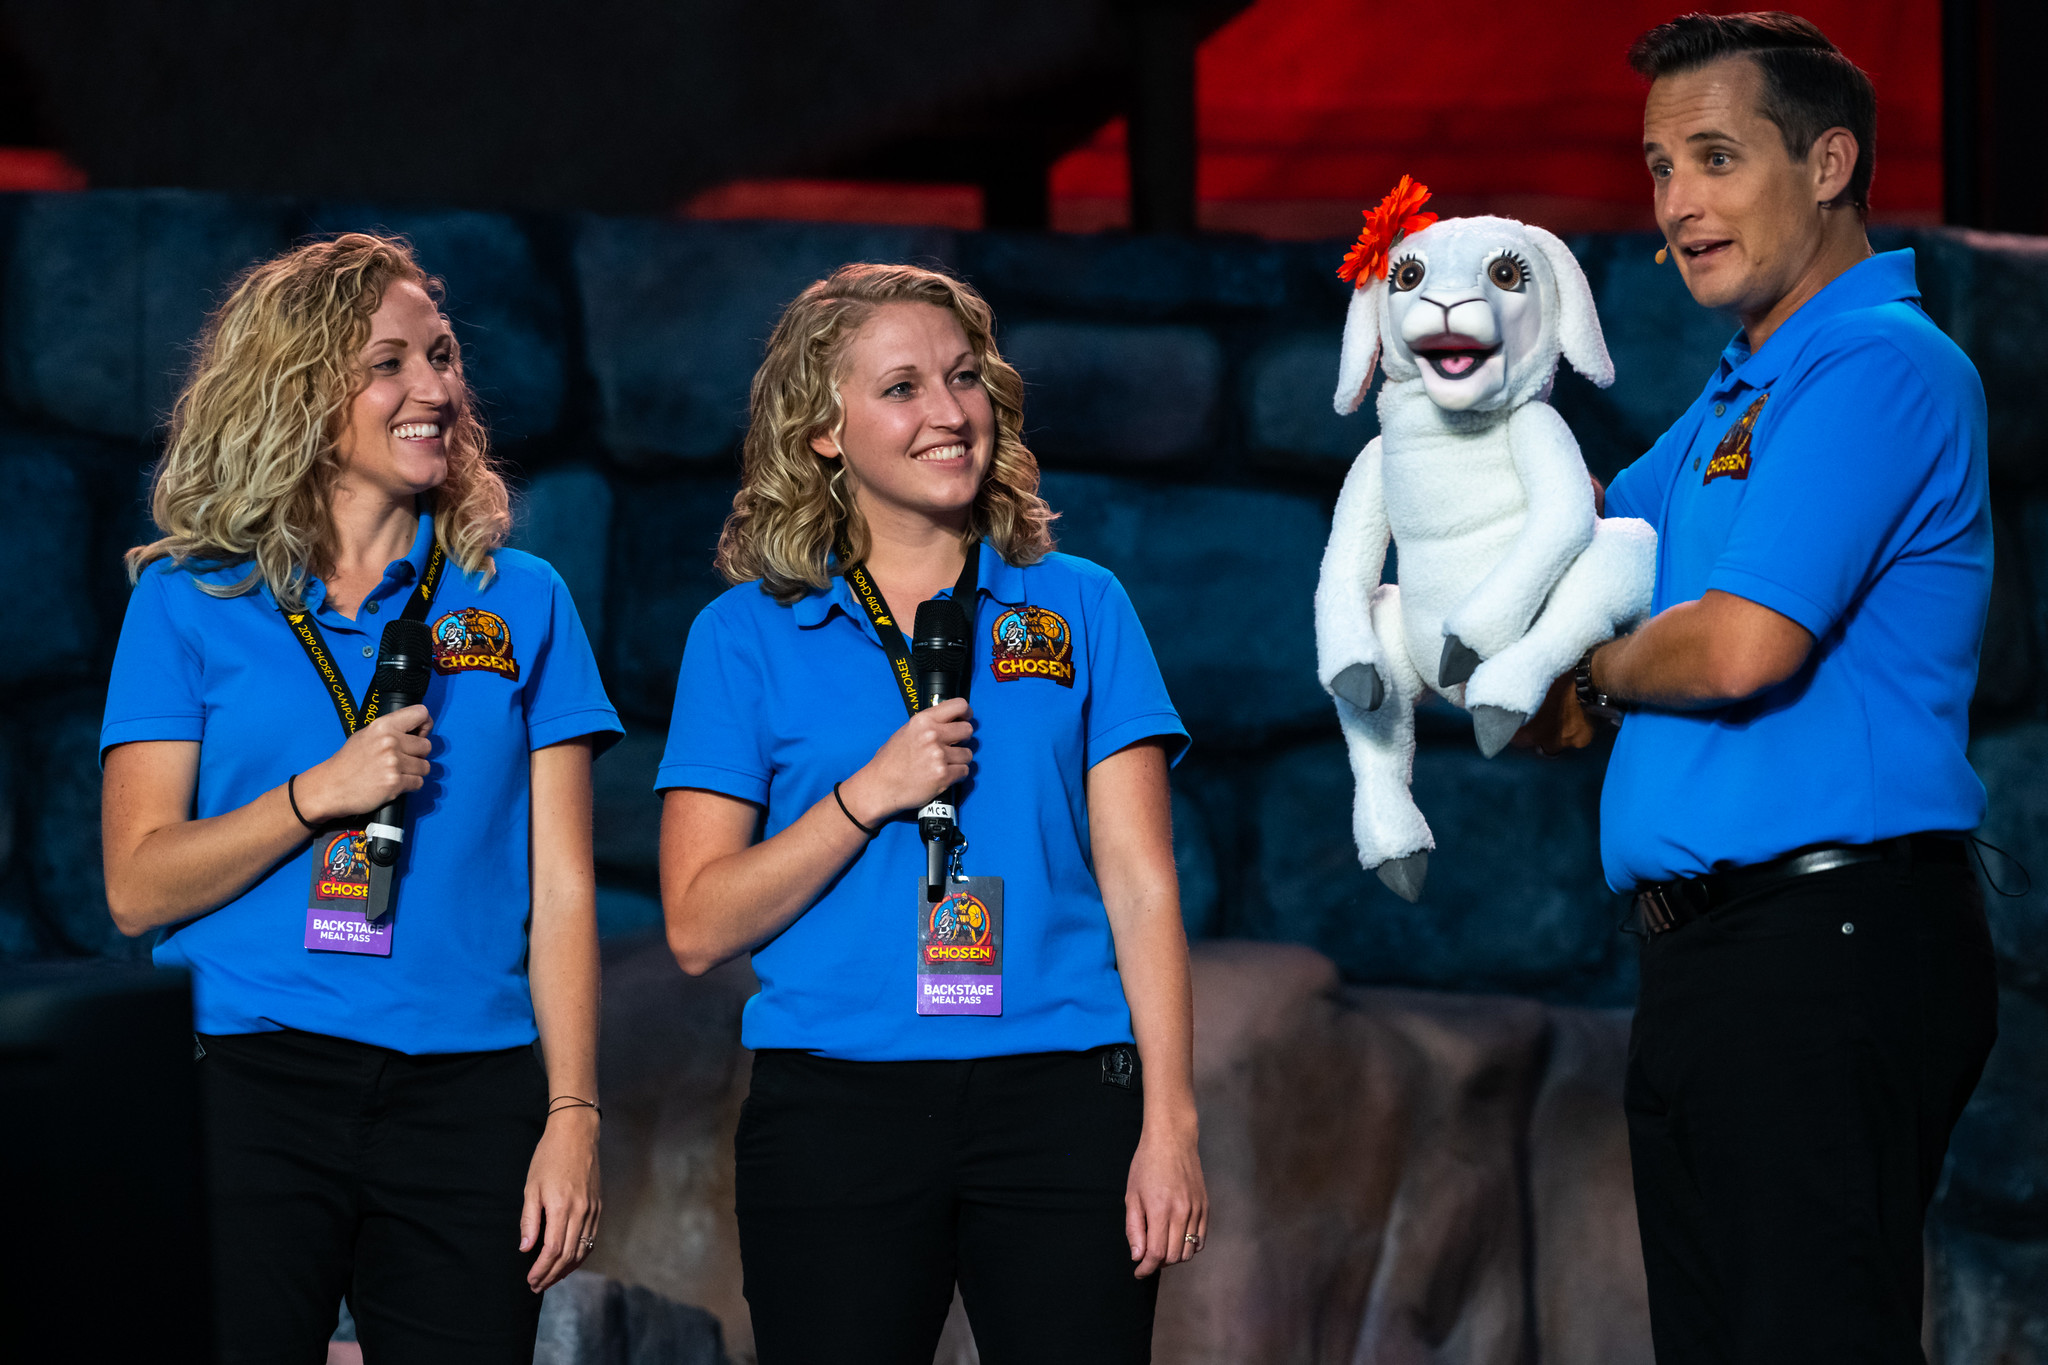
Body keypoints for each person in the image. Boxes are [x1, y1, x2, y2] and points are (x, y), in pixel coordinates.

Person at [1521, 13, 1998, 1362]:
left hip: (1828, 938)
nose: (1677, 204)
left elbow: (1740, 649)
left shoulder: (1880, 364)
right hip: (1712, 960)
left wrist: (1600, 673)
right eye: (1661, 167)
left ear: (1831, 158)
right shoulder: (1736, 395)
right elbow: (1558, 564)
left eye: (1716, 157)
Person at [657, 262, 1206, 1363]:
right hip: (835, 1107)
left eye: (963, 379)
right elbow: (698, 924)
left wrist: (1171, 1120)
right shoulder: (742, 635)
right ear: (822, 429)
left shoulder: (1080, 603)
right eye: (901, 388)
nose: (948, 413)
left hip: (1061, 1092)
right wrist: (866, 796)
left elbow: (1140, 881)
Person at [100, 234, 622, 1364]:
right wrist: (313, 797)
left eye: (441, 357)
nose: (435, 387)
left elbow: (565, 889)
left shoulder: (520, 600)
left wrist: (573, 1115)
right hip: (244, 1077)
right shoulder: (192, 601)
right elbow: (138, 888)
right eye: (390, 363)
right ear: (297, 389)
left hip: (466, 1093)